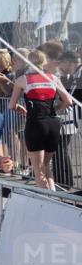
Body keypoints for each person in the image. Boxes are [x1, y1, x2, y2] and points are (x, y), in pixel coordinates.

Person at [8, 49, 72, 190]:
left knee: (38, 169)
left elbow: (11, 105)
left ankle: (47, 201)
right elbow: (68, 101)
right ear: (44, 63)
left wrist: (20, 108)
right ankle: (54, 197)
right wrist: (56, 108)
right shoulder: (53, 78)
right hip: (53, 123)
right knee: (46, 166)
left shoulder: (22, 79)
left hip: (35, 123)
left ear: (28, 62)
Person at [53, 51, 81, 189]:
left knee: (60, 149)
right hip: (66, 117)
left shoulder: (77, 75)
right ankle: (63, 180)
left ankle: (65, 180)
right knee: (59, 149)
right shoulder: (70, 76)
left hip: (69, 117)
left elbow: (72, 97)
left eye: (62, 62)